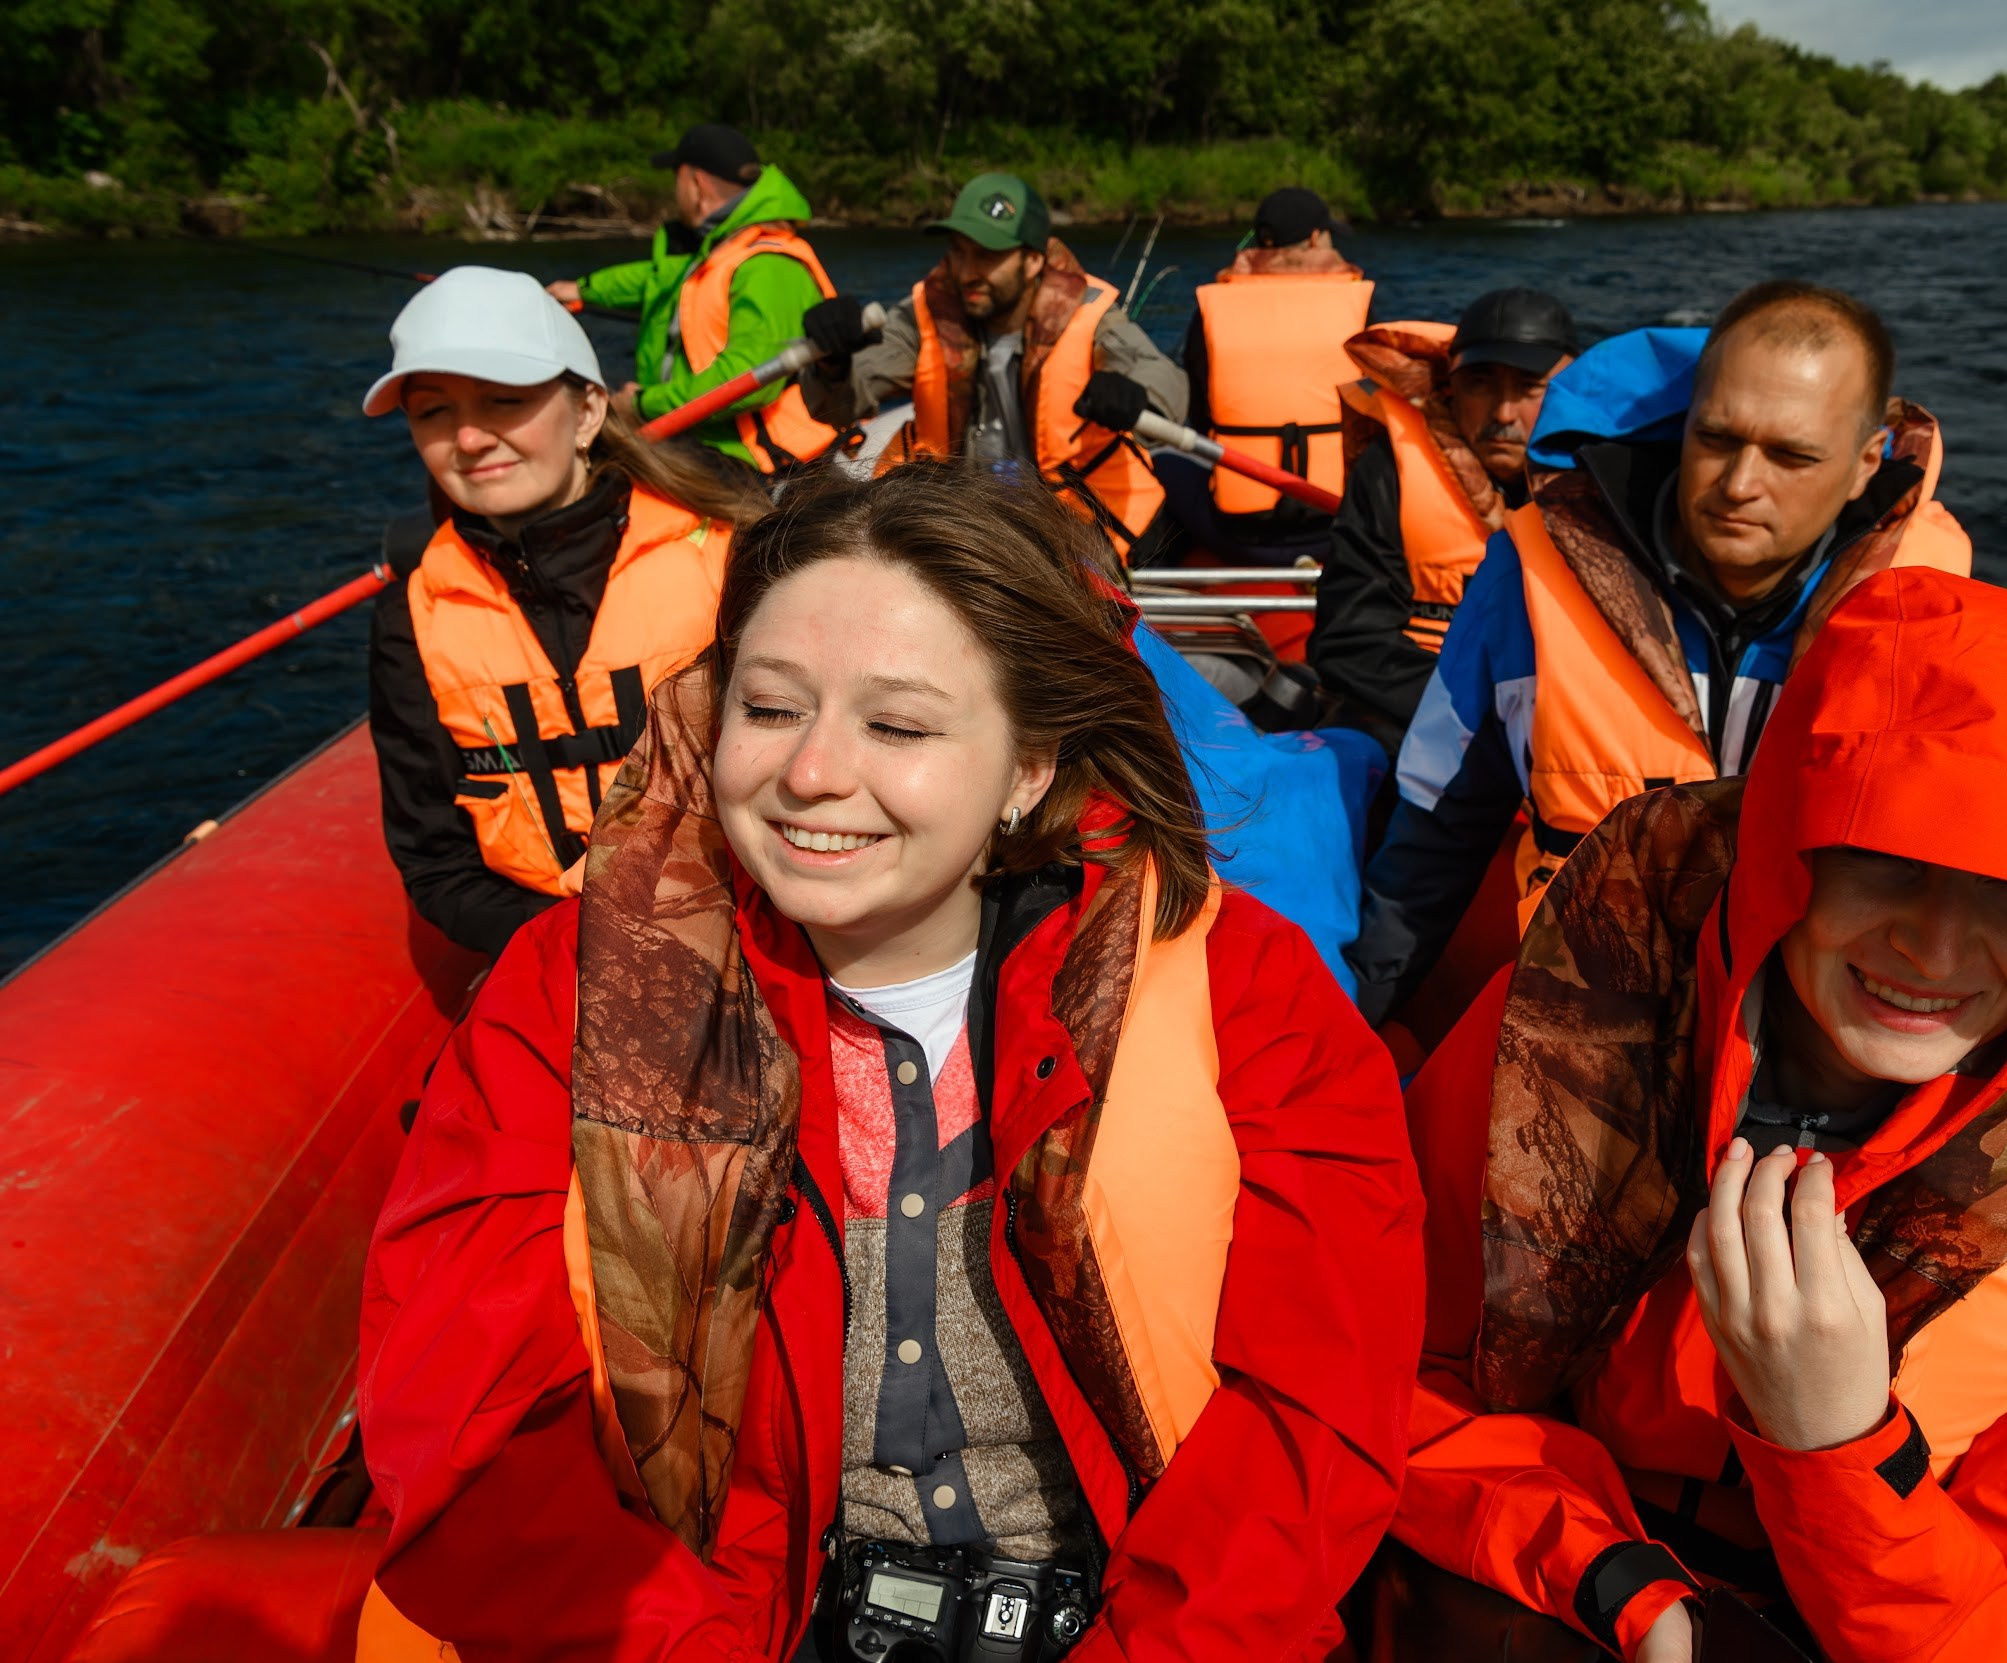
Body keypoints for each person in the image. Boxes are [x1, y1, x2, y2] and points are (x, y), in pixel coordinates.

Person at [356, 464, 1426, 1661]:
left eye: (899, 726)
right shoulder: (570, 992)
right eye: (767, 709)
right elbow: (469, 1412)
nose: (810, 772)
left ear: (1029, 768)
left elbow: (1311, 1405)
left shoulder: (1243, 987)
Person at [1382, 566, 2007, 1663]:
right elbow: (1391, 1367)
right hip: (1588, 1583)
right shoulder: (1557, 1026)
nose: (1932, 950)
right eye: (1887, 862)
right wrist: (1618, 1581)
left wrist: (1833, 1441)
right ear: (1787, 841)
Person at [1348, 280, 1972, 1026]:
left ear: (1868, 462)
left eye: (1791, 456)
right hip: (1581, 1016)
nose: (1741, 485)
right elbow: (1433, 837)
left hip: (1813, 1031)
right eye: (1715, 439)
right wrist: (1352, 1032)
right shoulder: (1530, 574)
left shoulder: (1935, 600)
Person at [364, 265, 767, 959]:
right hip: (551, 949)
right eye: (434, 411)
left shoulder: (726, 560)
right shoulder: (415, 616)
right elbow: (437, 862)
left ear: (587, 411)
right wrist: (582, 948)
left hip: (746, 922)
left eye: (503, 400)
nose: (468, 439)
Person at [796, 174, 1187, 560]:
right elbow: (838, 406)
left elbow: (1161, 381)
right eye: (959, 252)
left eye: (986, 255)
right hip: (966, 519)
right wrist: (832, 363)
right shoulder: (927, 314)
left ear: (1033, 260)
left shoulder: (1089, 313)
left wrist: (1135, 396)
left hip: (1073, 529)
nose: (967, 272)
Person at [1308, 288, 1577, 746]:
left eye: (1529, 387)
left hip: (1567, 721)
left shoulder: (1603, 482)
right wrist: (1484, 719)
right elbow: (1350, 642)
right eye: (1480, 384)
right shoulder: (1390, 467)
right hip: (1423, 720)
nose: (1503, 412)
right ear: (1450, 389)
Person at [548, 124, 842, 474]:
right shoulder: (720, 251)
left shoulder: (768, 264)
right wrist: (581, 289)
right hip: (707, 442)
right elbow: (653, 279)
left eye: (677, 180)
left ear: (695, 183)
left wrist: (641, 404)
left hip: (759, 460)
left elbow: (750, 380)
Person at [1162, 187, 1375, 564]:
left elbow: (1202, 417)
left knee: (1161, 457)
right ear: (1315, 239)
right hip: (1338, 526)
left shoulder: (1213, 308)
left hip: (1239, 533)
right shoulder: (1360, 306)